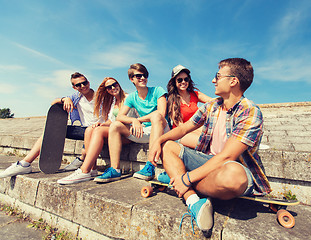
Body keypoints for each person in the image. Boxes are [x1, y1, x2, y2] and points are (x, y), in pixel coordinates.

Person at [148, 58, 271, 234]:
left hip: (231, 168)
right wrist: (158, 141)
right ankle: (193, 201)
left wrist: (184, 179)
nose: (213, 80)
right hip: (207, 162)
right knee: (168, 145)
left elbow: (227, 157)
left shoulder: (250, 111)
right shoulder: (212, 106)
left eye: (217, 76)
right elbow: (184, 128)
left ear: (233, 81)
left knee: (233, 177)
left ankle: (177, 177)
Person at [0, 72, 103, 178]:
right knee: (52, 130)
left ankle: (81, 159)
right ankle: (25, 163)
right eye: (78, 85)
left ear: (88, 82)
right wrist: (64, 99)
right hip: (83, 130)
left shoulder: (100, 96)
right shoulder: (76, 97)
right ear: (74, 87)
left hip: (99, 130)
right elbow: (53, 102)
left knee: (86, 148)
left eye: (84, 83)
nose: (82, 86)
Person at [93, 63, 169, 182]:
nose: (143, 78)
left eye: (145, 75)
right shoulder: (132, 97)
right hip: (145, 131)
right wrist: (133, 120)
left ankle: (150, 166)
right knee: (115, 125)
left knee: (156, 116)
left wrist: (138, 120)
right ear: (131, 79)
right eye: (139, 76)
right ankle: (115, 170)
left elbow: (161, 113)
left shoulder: (157, 90)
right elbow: (120, 117)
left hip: (161, 129)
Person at [57, 77, 131, 184]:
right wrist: (102, 124)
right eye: (109, 87)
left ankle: (84, 170)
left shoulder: (129, 98)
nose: (113, 88)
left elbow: (127, 118)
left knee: (98, 131)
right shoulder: (113, 101)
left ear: (118, 84)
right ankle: (92, 169)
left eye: (114, 84)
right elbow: (111, 120)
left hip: (127, 133)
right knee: (90, 129)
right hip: (115, 132)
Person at [158, 65, 212, 183]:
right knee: (205, 139)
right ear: (174, 82)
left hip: (195, 130)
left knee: (209, 136)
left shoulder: (195, 94)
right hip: (180, 135)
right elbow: (181, 127)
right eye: (180, 80)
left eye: (186, 79)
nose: (183, 82)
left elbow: (212, 101)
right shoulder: (172, 99)